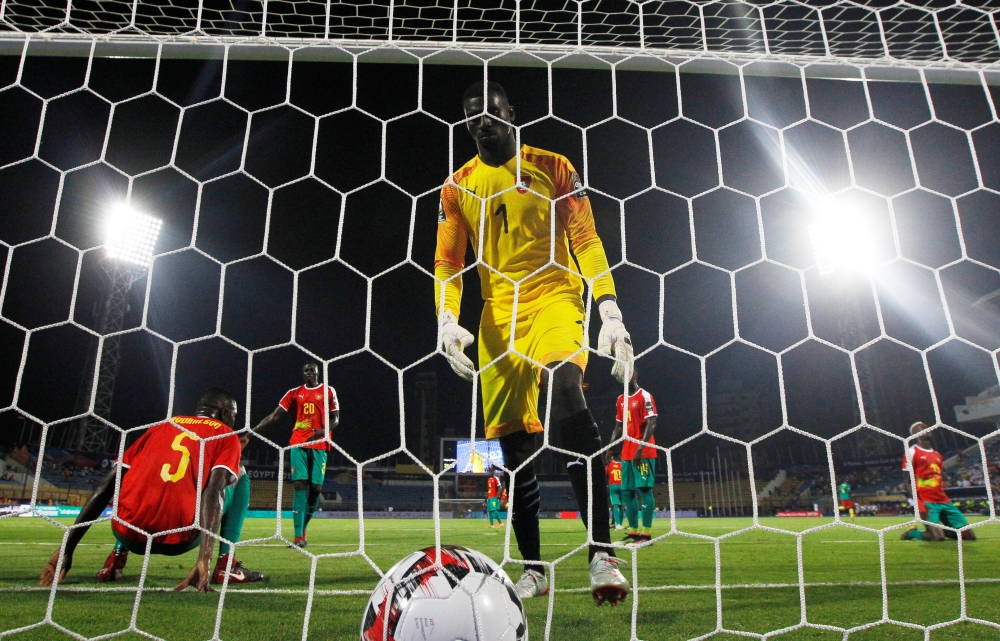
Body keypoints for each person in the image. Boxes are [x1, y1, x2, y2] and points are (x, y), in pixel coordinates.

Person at [434, 81, 632, 606]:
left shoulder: (554, 166)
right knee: (514, 447)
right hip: (498, 316)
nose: (482, 122)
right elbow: (448, 262)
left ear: (511, 113)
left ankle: (601, 553)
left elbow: (586, 239)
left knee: (568, 387)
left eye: (491, 112)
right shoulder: (457, 186)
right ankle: (534, 568)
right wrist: (447, 319)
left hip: (555, 297)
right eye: (472, 115)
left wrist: (608, 307)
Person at [39, 388, 264, 590]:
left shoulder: (162, 426)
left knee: (142, 474)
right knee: (240, 475)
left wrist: (67, 548)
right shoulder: (226, 435)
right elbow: (213, 492)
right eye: (234, 413)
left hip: (126, 533)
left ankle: (116, 557)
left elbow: (106, 486)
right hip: (180, 538)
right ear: (225, 413)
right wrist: (203, 558)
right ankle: (226, 564)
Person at [253, 363, 339, 548]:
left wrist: (322, 431)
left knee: (316, 488)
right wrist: (252, 431)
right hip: (298, 442)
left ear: (317, 373)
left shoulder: (328, 391)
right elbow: (274, 416)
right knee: (300, 484)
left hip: (320, 443)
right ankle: (298, 536)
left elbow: (336, 419)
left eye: (311, 370)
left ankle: (303, 529)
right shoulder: (293, 393)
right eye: (305, 371)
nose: (308, 373)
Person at [900, 422, 976, 542]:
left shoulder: (937, 455)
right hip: (926, 500)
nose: (927, 429)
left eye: (927, 427)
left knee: (969, 536)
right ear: (915, 435)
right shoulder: (911, 452)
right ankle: (913, 533)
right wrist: (917, 502)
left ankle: (938, 530)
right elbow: (907, 480)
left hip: (943, 500)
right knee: (937, 538)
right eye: (922, 429)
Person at [609, 367, 657, 543]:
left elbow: (652, 422)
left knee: (644, 490)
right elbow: (618, 426)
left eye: (628, 372)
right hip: (626, 452)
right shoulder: (620, 400)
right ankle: (635, 532)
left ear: (636, 374)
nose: (625, 376)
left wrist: (640, 447)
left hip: (643, 450)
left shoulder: (645, 396)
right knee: (627, 492)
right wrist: (610, 447)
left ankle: (646, 535)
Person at [606, 453, 624, 530]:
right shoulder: (622, 465)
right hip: (622, 485)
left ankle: (618, 524)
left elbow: (606, 473)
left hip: (613, 485)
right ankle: (623, 524)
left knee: (615, 504)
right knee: (622, 505)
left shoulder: (609, 465)